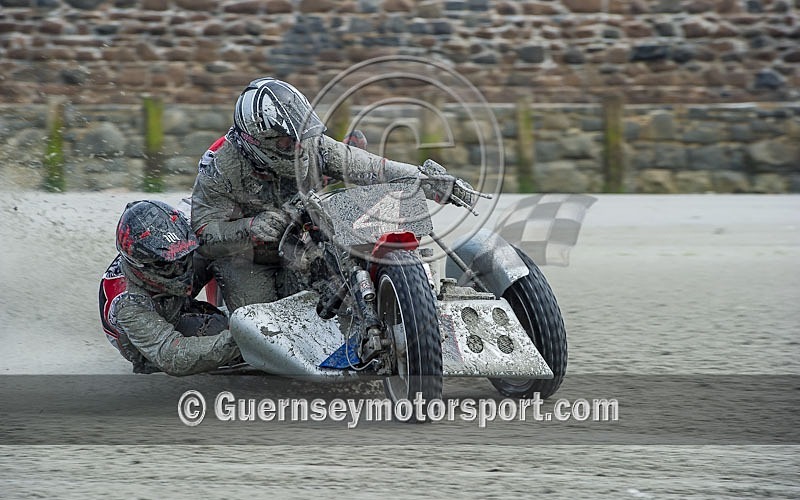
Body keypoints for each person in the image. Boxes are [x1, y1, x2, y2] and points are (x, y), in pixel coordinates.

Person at [191, 77, 476, 311]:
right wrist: (250, 228)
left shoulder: (312, 143)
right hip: (250, 257)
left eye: (302, 135)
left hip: (303, 232)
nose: (300, 146)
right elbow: (203, 234)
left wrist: (427, 181)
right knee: (260, 323)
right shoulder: (219, 166)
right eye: (287, 141)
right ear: (257, 141)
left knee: (353, 243)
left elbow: (372, 167)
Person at [99, 200, 241, 375]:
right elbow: (172, 355)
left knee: (217, 242)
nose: (179, 268)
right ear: (141, 264)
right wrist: (243, 341)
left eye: (182, 258)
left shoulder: (178, 226)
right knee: (219, 331)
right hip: (160, 331)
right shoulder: (129, 305)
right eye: (166, 264)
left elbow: (208, 203)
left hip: (170, 296)